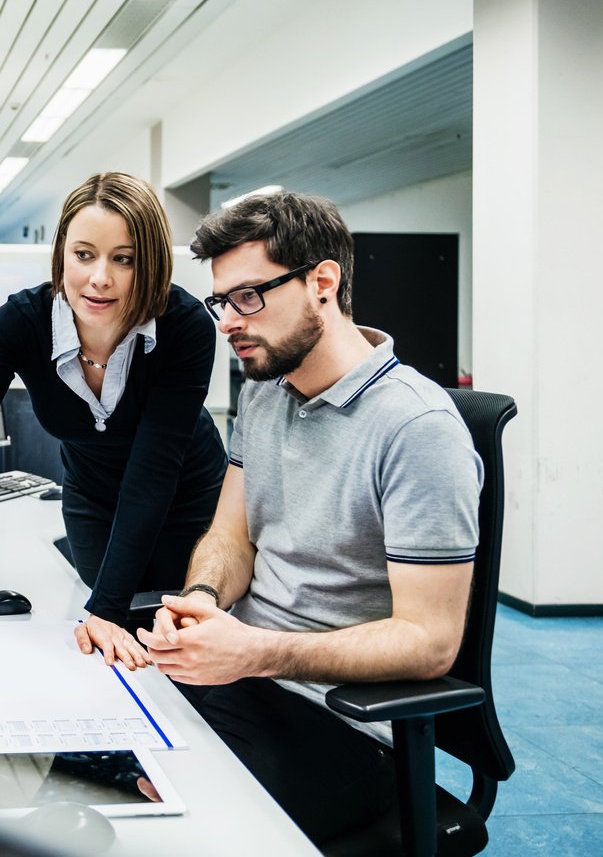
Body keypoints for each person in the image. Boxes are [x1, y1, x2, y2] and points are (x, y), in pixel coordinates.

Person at [137, 192, 482, 844]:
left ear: (322, 283)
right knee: (91, 750)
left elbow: (431, 641)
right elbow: (230, 537)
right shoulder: (265, 394)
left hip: (345, 729)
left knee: (163, 829)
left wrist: (256, 651)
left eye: (249, 297)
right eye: (221, 303)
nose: (229, 322)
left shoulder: (417, 427)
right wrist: (201, 603)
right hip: (245, 682)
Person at [0, 172, 225, 670]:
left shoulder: (183, 326)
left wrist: (107, 608)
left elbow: (154, 469)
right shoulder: (23, 320)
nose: (100, 278)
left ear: (153, 264)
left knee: (172, 629)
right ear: (61, 254)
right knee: (108, 637)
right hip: (92, 498)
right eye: (84, 255)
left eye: (124, 259)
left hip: (188, 497)